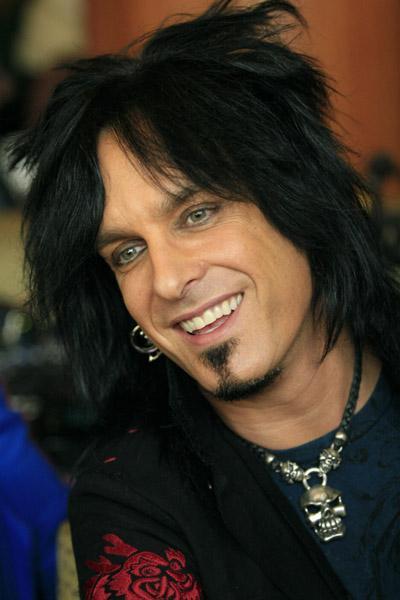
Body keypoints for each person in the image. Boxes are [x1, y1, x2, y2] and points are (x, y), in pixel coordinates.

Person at [11, 1, 400, 598]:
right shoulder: (130, 500)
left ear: (296, 200)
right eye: (128, 252)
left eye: (197, 214)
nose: (167, 281)